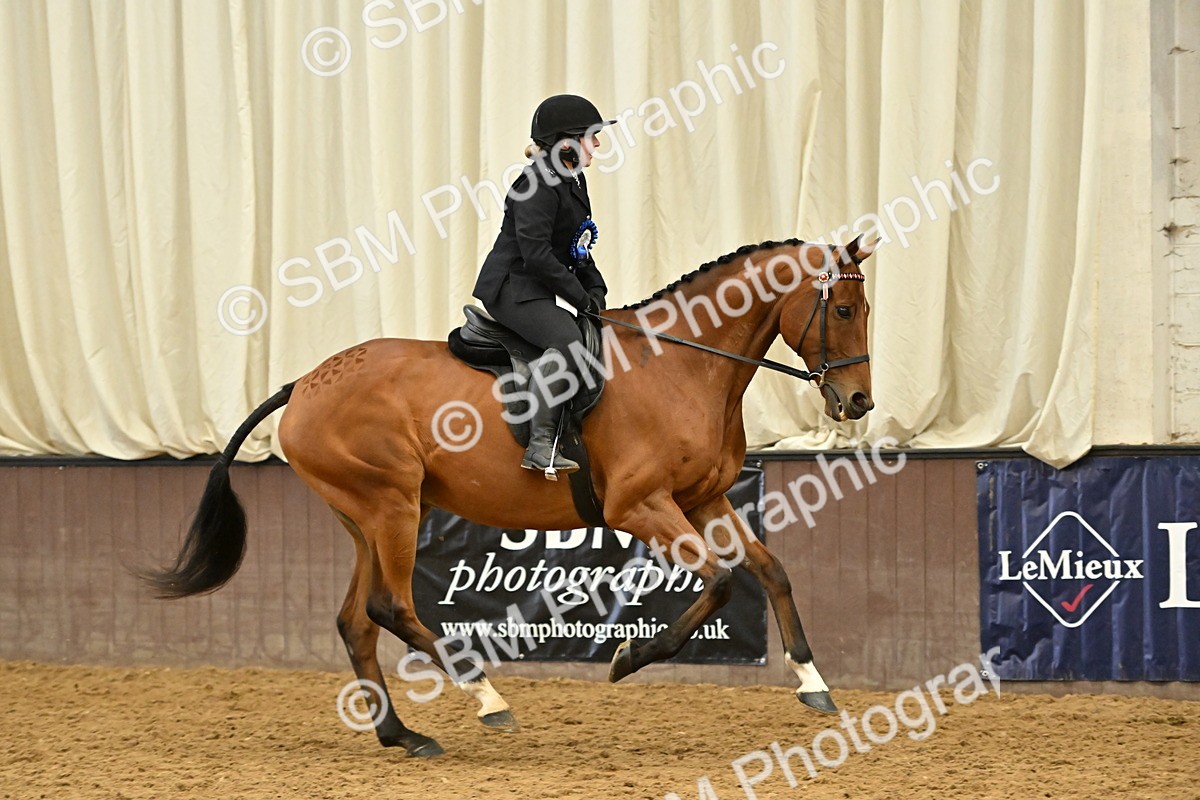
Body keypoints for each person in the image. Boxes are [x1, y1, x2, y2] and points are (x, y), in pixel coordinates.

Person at [472, 94, 614, 476]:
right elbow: (535, 255)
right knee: (568, 343)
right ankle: (539, 445)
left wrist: (595, 290)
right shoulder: (535, 183)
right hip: (512, 288)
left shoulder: (572, 180)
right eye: (592, 137)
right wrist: (577, 297)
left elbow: (577, 245)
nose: (598, 145)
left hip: (537, 286)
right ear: (567, 142)